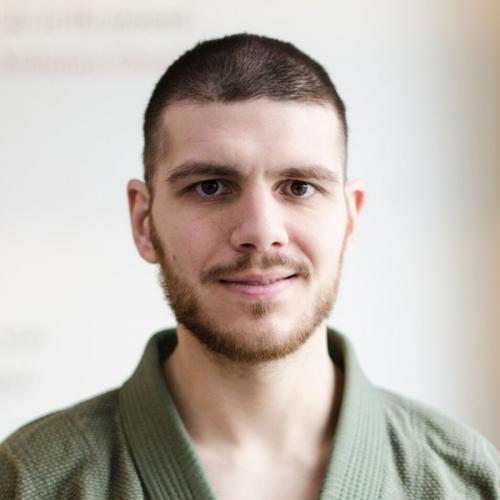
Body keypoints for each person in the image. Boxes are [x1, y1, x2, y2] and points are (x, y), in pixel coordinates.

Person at [0, 33, 498, 500]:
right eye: (211, 187)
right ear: (144, 221)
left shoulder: (468, 480)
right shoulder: (29, 480)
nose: (260, 231)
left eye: (299, 187)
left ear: (350, 221)